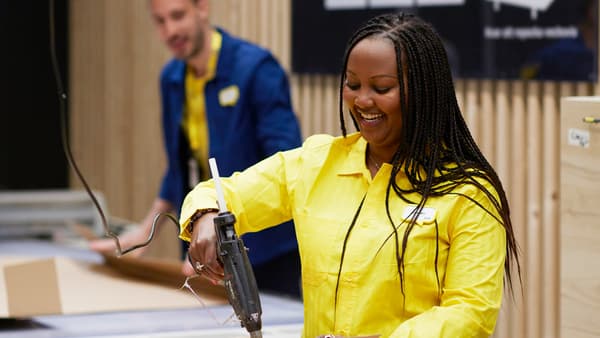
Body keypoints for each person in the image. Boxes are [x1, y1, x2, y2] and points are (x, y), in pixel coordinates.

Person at [180, 12, 521, 338]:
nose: (362, 100)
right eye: (353, 84)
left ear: (424, 91)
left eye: (382, 88)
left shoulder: (469, 193)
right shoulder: (316, 163)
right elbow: (225, 192)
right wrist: (206, 215)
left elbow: (470, 313)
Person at [89, 0, 303, 299]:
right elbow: (178, 168)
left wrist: (225, 222)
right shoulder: (172, 79)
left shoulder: (255, 68)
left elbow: (286, 162)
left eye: (177, 16)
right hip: (206, 248)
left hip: (265, 251)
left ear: (202, 8)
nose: (170, 30)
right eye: (160, 21)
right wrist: (145, 233)